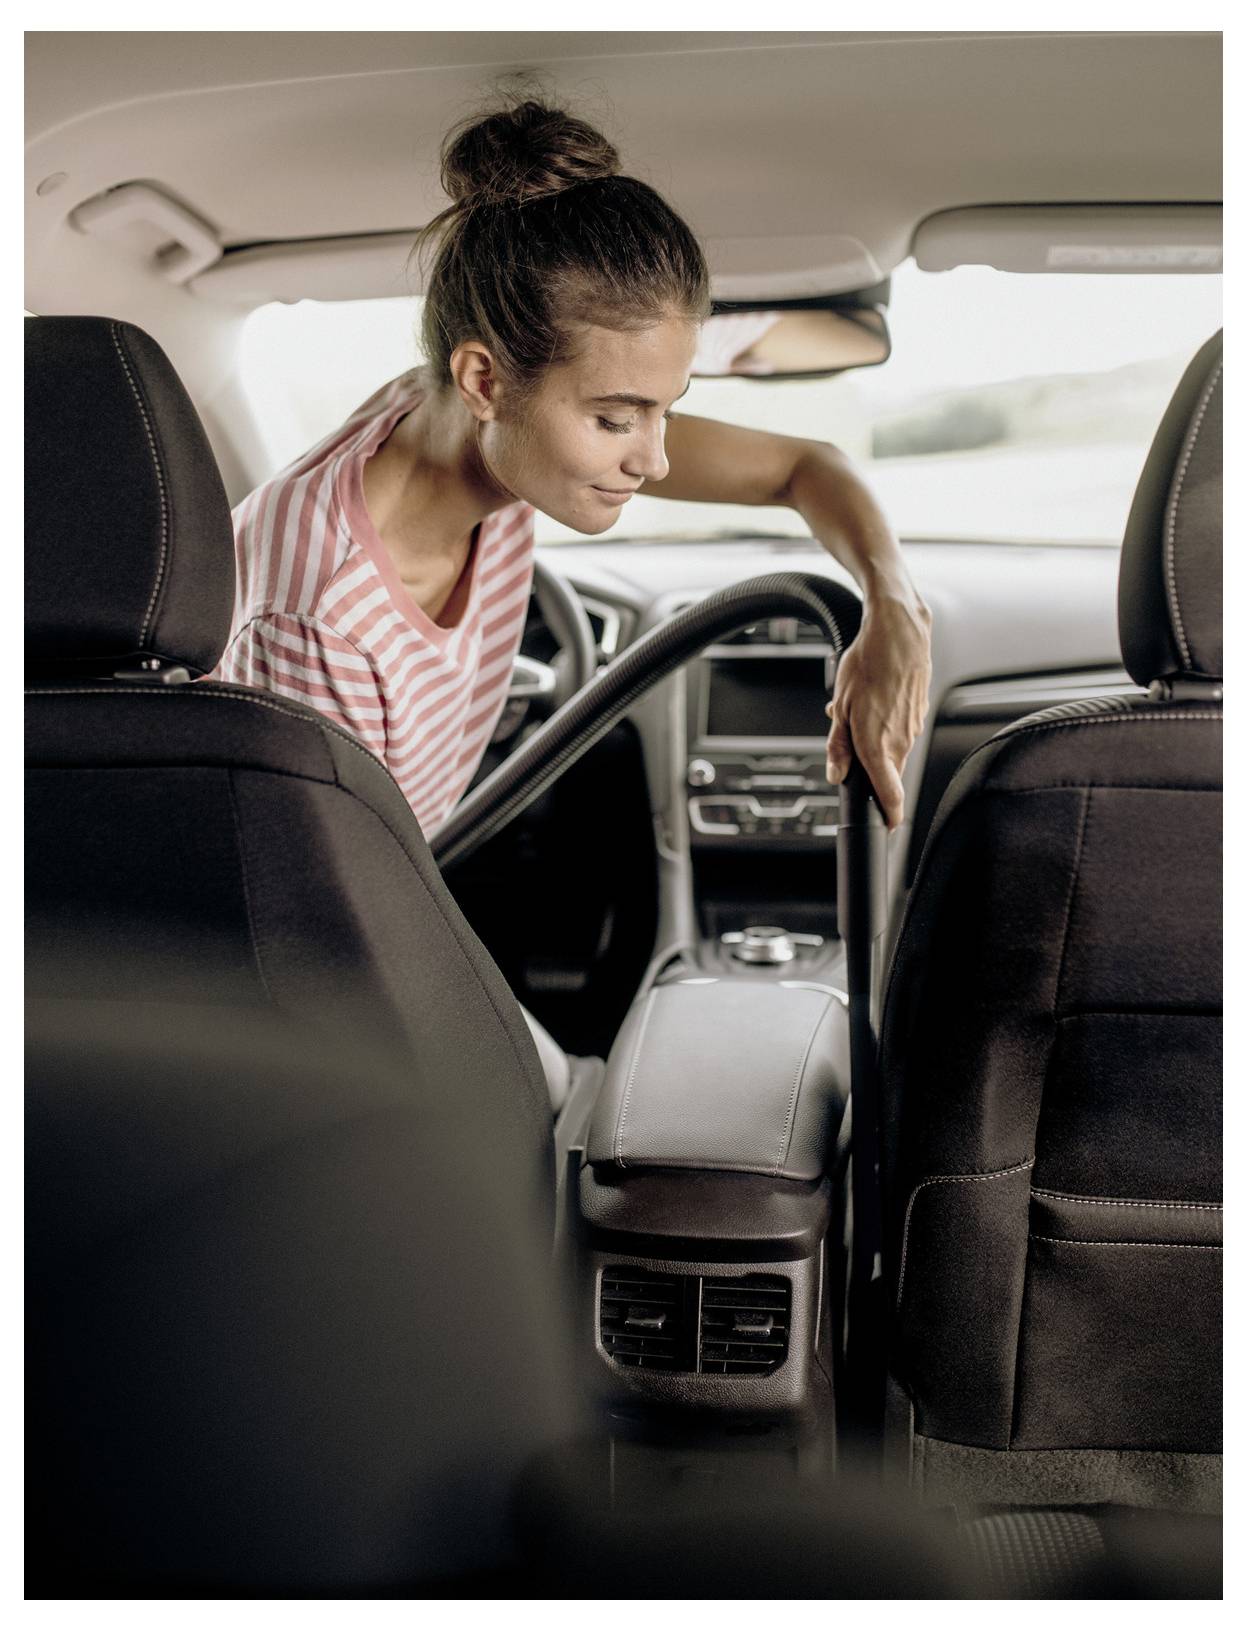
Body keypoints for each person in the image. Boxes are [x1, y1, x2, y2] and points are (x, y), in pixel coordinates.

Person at [214, 95, 932, 1101]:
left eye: (665, 408)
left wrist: (893, 609)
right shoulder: (318, 611)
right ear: (483, 378)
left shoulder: (451, 421)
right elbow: (324, 934)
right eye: (614, 417)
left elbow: (803, 467)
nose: (655, 457)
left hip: (397, 876)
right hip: (297, 961)